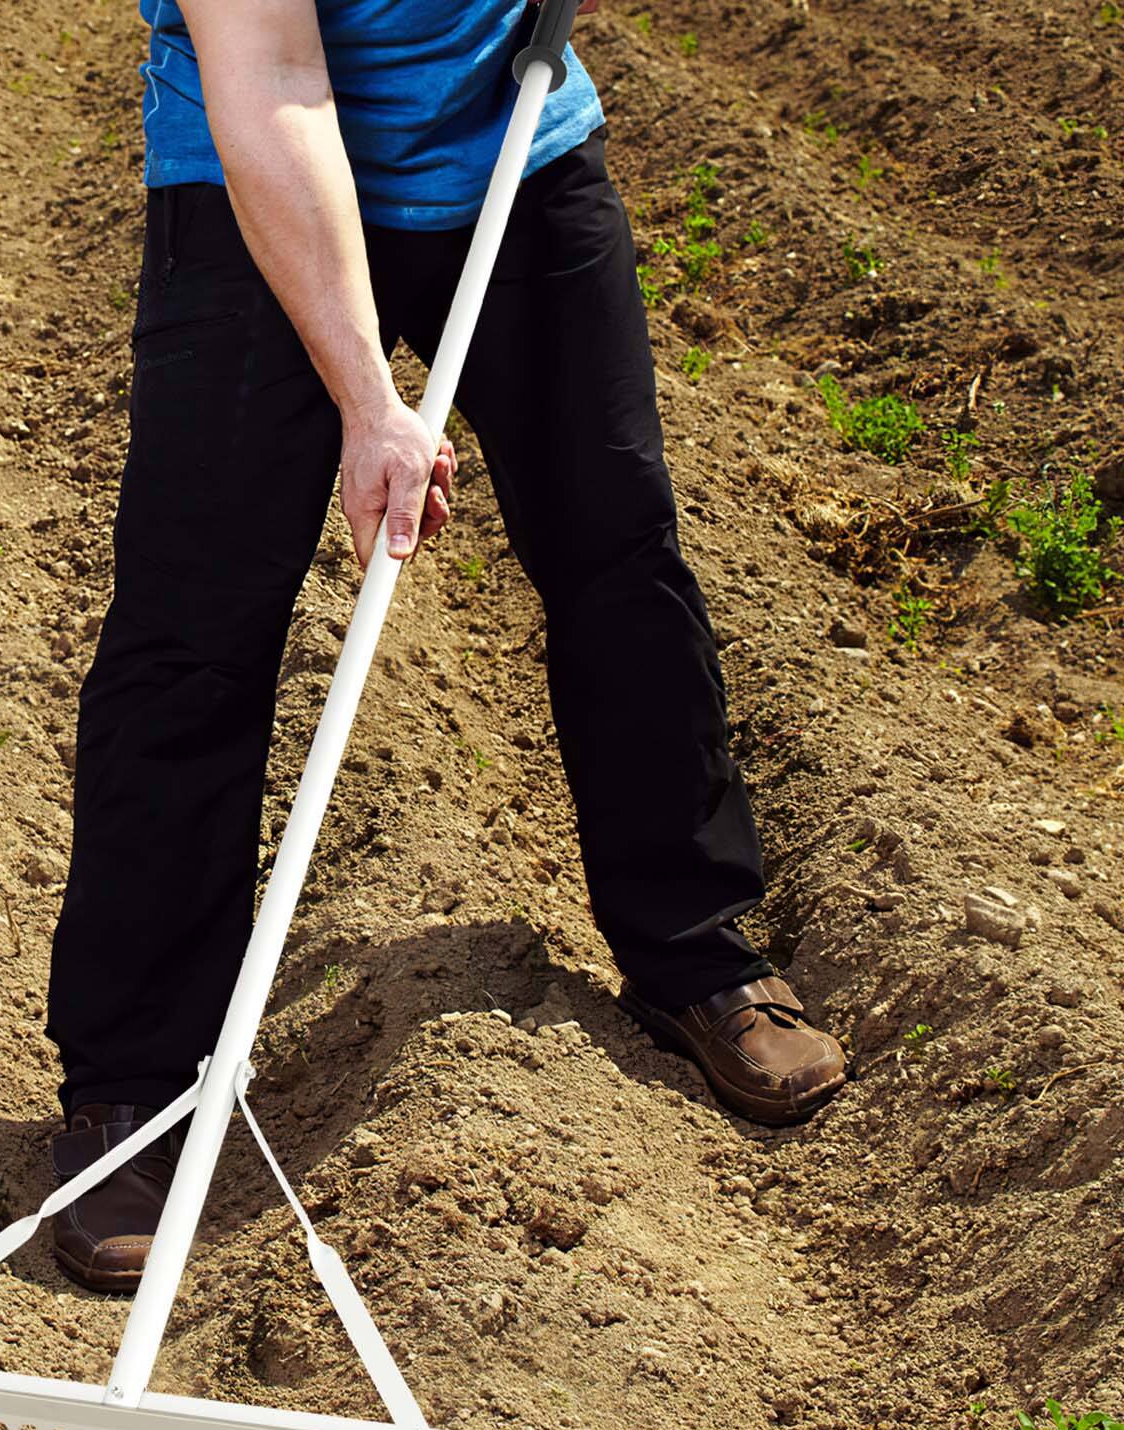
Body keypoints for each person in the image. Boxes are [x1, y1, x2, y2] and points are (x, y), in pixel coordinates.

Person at [42, 0, 846, 1294]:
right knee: (192, 630)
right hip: (261, 178)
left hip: (513, 149)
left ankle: (696, 954)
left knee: (618, 557)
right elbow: (273, 78)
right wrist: (372, 405)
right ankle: (131, 1093)